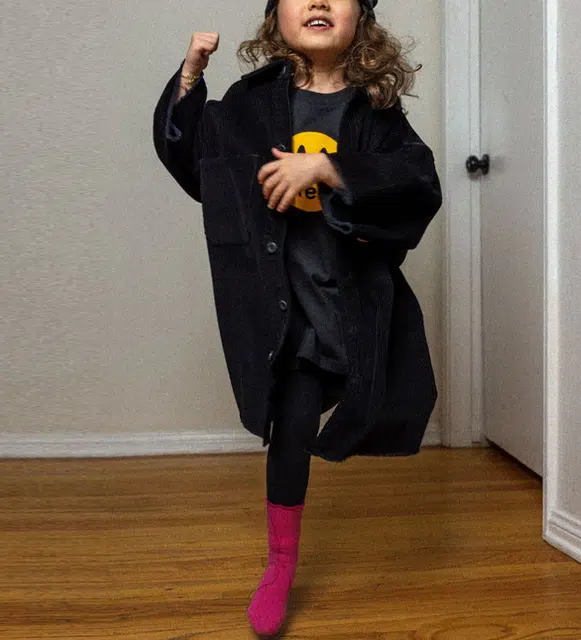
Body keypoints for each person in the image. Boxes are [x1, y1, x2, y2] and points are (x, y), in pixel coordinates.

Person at [153, 0, 442, 635]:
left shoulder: (375, 111)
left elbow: (417, 180)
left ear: (360, 18)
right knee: (292, 425)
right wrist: (190, 77)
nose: (317, 1)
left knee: (373, 399)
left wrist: (328, 167)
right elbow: (199, 167)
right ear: (274, 18)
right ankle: (280, 562)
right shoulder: (251, 103)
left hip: (349, 301)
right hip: (287, 309)